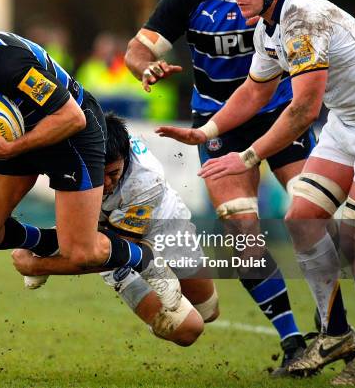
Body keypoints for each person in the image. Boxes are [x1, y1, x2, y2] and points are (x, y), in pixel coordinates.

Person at [160, 0, 355, 384]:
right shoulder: (268, 26)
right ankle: (336, 334)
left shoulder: (300, 19)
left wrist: (247, 157)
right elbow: (254, 91)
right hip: (347, 121)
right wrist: (206, 132)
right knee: (301, 218)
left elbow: (303, 110)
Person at [0, 0, 184, 325]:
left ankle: (144, 257)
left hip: (71, 136)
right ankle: (50, 240)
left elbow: (73, 117)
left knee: (81, 253)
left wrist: (14, 148)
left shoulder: (12, 65)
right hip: (19, 135)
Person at [125, 0, 313, 376]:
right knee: (242, 234)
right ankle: (293, 341)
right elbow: (136, 51)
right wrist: (145, 68)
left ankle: (336, 327)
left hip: (281, 114)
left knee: (315, 219)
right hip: (218, 123)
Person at [13, 113, 220, 346]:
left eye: (113, 173)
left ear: (125, 157)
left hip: (163, 226)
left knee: (208, 311)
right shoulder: (72, 155)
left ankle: (45, 247)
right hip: (104, 233)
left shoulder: (146, 180)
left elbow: (116, 251)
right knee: (187, 330)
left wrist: (38, 264)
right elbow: (106, 251)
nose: (107, 182)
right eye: (100, 174)